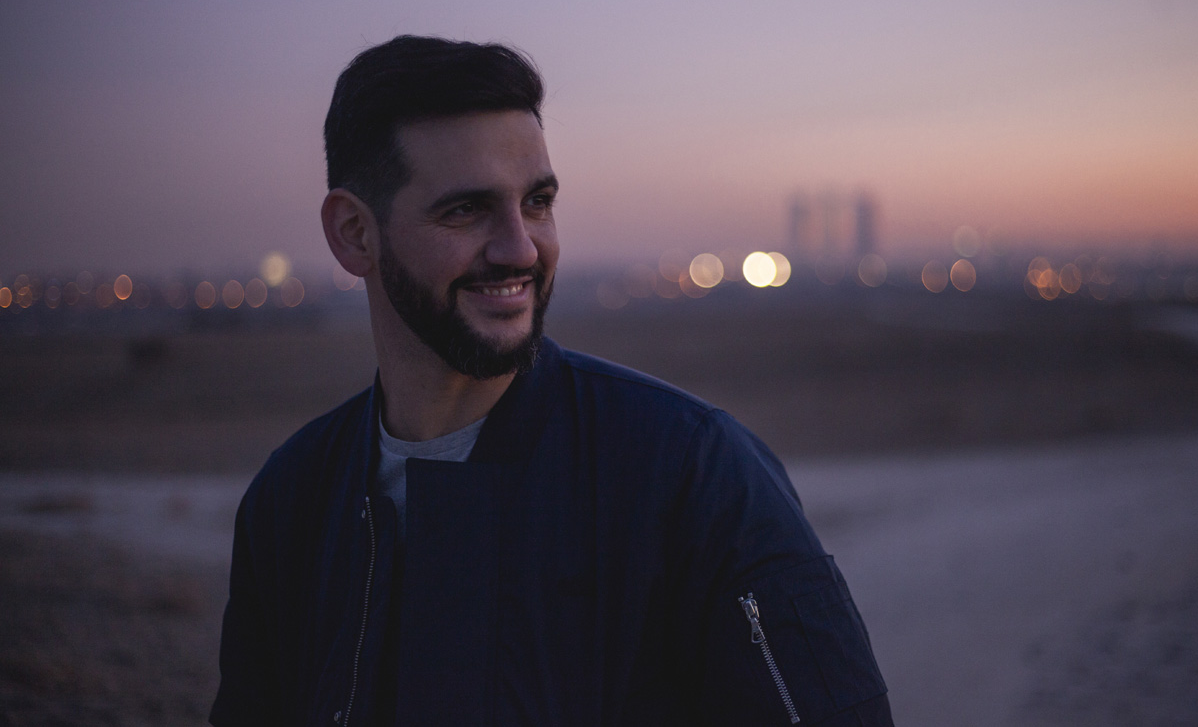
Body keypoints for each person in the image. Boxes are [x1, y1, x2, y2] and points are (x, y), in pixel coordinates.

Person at [210, 35, 893, 726]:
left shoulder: (692, 472)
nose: (521, 247)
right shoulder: (290, 501)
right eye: (466, 209)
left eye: (537, 202)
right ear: (355, 233)